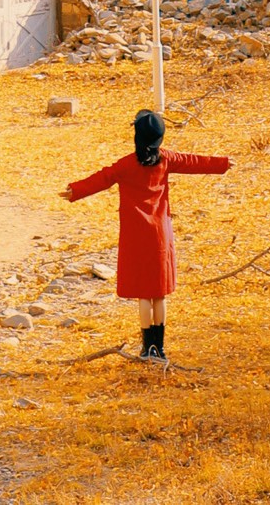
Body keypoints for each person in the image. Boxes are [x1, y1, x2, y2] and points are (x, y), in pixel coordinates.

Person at [60, 108, 232, 363]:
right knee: (158, 293)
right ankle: (159, 349)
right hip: (160, 234)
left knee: (143, 294)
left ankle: (146, 348)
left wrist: (75, 191)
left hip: (135, 235)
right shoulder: (167, 160)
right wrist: (223, 164)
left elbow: (102, 178)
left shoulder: (126, 165)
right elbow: (194, 161)